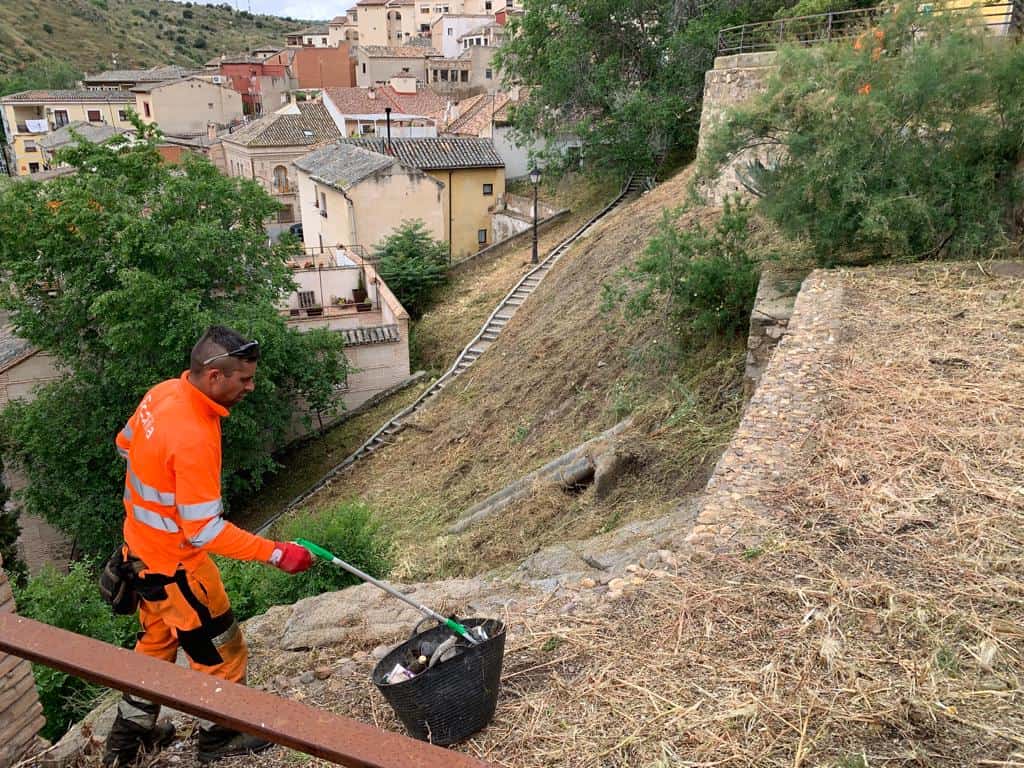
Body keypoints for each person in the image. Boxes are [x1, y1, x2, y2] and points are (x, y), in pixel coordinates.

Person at [103, 326, 313, 766]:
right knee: (220, 650)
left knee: (154, 650)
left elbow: (124, 446)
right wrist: (276, 552)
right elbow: (205, 531)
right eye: (244, 379)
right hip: (180, 571)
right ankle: (218, 735)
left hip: (137, 556)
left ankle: (126, 743)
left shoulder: (161, 394)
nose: (251, 387)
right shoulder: (194, 434)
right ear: (215, 376)